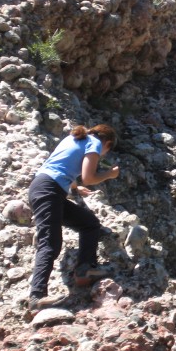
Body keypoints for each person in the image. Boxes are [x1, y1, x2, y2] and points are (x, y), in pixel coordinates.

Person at [27, 123, 120, 312]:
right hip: (48, 190)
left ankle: (84, 270)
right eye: (107, 151)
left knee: (89, 224)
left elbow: (62, 165)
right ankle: (36, 297)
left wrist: (75, 188)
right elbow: (89, 177)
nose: (103, 155)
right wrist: (109, 175)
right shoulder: (94, 143)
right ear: (107, 143)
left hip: (47, 188)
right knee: (50, 242)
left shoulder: (75, 138)